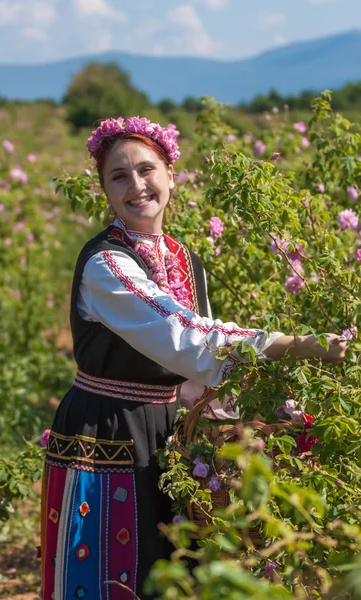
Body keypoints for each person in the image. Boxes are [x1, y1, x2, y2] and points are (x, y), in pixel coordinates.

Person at [40, 116, 347, 600]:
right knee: (112, 572)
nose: (137, 186)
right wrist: (290, 345)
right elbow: (183, 335)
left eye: (147, 169)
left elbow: (194, 367)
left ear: (171, 174)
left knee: (179, 567)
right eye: (119, 176)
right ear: (104, 189)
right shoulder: (106, 264)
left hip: (172, 427)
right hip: (108, 428)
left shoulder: (186, 259)